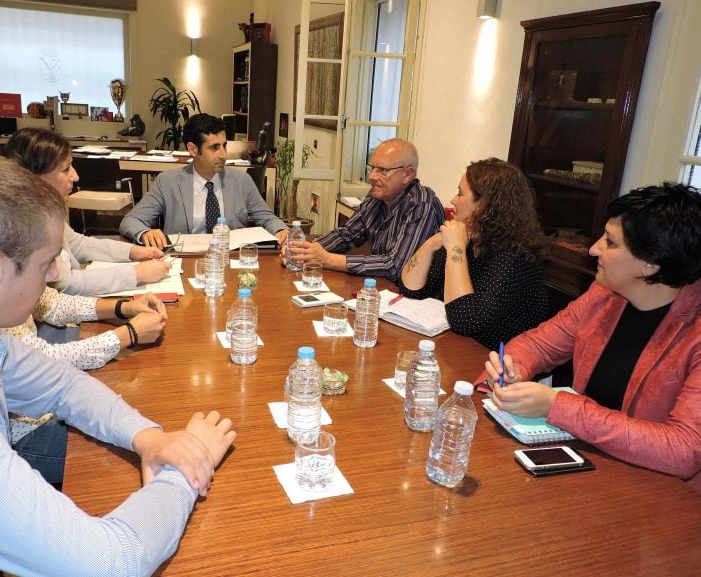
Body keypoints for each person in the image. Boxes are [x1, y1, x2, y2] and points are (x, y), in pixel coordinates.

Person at [0, 148, 236, 576]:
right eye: (44, 263)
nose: (54, 276)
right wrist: (188, 465)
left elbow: (64, 385)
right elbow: (110, 565)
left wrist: (150, 438)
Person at [483, 183, 701, 491]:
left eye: (610, 243)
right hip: (591, 468)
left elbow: (684, 449)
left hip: (661, 498)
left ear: (651, 264)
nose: (593, 248)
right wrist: (513, 366)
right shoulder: (604, 295)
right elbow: (539, 344)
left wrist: (557, 406)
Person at [2, 287, 169, 484]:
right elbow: (45, 363)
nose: (55, 272)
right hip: (23, 435)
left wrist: (123, 307)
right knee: (130, 468)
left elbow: (51, 302)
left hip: (49, 408)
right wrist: (128, 334)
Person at [399, 158, 548, 350]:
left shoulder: (514, 257)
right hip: (464, 350)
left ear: (484, 204)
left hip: (502, 365)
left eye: (460, 194)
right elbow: (412, 290)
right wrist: (430, 244)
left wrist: (455, 248)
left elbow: (465, 320)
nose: (453, 200)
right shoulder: (470, 240)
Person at [3, 127, 171, 296]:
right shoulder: (24, 226)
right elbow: (65, 283)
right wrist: (137, 274)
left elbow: (78, 244)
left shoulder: (42, 209)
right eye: (65, 169)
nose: (75, 177)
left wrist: (133, 251)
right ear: (33, 178)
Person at [282, 138, 445, 282]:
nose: (372, 177)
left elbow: (395, 267)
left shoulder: (421, 204)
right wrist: (304, 250)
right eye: (372, 168)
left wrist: (327, 259)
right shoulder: (378, 195)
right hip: (380, 287)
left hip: (416, 301)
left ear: (408, 174)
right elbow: (347, 234)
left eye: (382, 170)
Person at [119, 113, 289, 248]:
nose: (223, 154)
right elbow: (130, 220)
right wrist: (144, 233)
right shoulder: (167, 182)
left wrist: (281, 230)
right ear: (193, 149)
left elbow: (268, 218)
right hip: (183, 263)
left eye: (224, 145)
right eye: (214, 148)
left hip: (229, 262)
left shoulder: (241, 181)